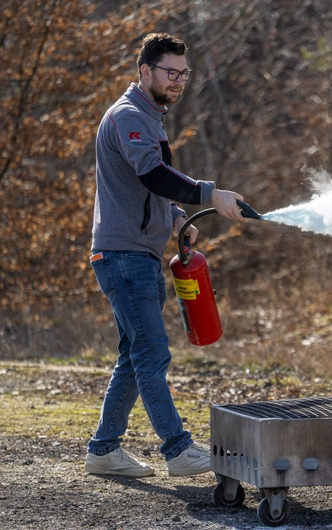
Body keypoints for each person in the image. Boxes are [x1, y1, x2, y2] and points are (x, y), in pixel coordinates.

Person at [84, 33, 245, 477]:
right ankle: (178, 450)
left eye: (183, 73)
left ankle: (104, 450)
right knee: (152, 354)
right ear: (145, 71)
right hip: (124, 257)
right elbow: (153, 174)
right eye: (170, 72)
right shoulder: (129, 115)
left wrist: (174, 218)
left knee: (134, 356)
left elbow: (142, 185)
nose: (178, 81)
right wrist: (209, 193)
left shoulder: (149, 117)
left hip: (137, 255)